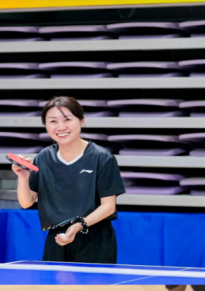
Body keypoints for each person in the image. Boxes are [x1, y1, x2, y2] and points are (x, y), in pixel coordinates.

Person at [12, 96, 125, 264]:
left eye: (67, 119)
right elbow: (26, 202)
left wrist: (79, 225)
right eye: (53, 121)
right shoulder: (43, 157)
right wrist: (23, 176)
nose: (61, 127)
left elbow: (108, 206)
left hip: (94, 238)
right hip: (57, 237)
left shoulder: (102, 158)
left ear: (82, 121)